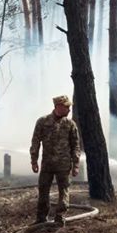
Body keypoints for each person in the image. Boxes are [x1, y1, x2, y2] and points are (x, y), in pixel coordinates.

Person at [30, 94, 80, 225]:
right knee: (43, 190)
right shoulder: (42, 121)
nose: (69, 110)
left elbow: (76, 145)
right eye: (67, 107)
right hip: (47, 165)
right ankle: (41, 219)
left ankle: (60, 218)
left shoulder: (70, 124)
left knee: (64, 191)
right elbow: (35, 142)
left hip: (64, 165)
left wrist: (76, 164)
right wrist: (33, 161)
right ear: (58, 106)